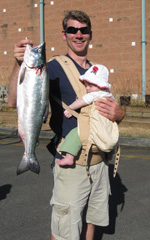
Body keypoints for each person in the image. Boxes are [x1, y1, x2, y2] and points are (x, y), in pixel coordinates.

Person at [8, 10, 125, 240]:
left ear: (90, 35)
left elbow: (108, 112)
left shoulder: (97, 71)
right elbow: (13, 101)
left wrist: (120, 113)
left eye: (84, 30)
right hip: (72, 165)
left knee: (91, 224)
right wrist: (18, 64)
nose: (78, 34)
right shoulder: (51, 68)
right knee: (65, 231)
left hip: (100, 164)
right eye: (72, 30)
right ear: (65, 34)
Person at [57, 64, 119, 166]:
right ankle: (110, 153)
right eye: (86, 85)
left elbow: (82, 101)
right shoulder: (109, 95)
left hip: (94, 125)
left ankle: (69, 156)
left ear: (100, 86)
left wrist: (70, 108)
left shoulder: (95, 94)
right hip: (105, 124)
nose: (87, 89)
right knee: (110, 136)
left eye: (90, 86)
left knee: (75, 134)